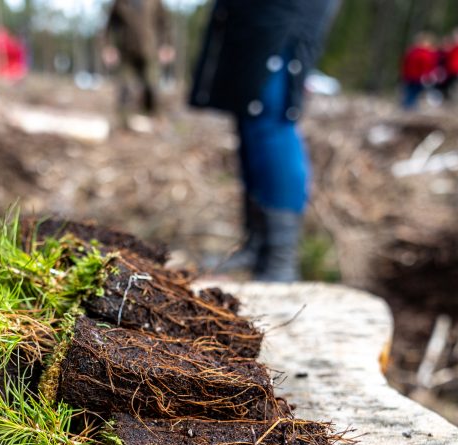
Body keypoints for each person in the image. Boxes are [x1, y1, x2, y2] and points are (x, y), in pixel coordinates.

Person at [189, 0, 337, 282]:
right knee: (248, 111)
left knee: (270, 115)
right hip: (253, 14)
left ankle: (281, 260)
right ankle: (258, 246)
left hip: (285, 12)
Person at [102, 0, 173, 119]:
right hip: (126, 53)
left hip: (149, 51)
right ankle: (123, 121)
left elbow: (164, 24)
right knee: (125, 88)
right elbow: (109, 26)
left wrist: (167, 44)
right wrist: (108, 46)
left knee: (151, 87)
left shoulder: (155, 2)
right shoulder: (120, 3)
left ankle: (152, 119)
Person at [400, 32, 440, 109]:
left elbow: (404, 64)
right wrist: (428, 76)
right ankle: (411, 108)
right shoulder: (425, 54)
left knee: (410, 93)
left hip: (409, 77)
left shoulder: (411, 52)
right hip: (418, 78)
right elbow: (427, 66)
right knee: (415, 94)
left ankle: (407, 107)